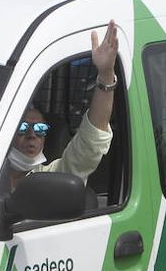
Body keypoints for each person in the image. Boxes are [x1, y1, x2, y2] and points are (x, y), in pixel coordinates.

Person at [7, 21, 119, 192]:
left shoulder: (51, 178)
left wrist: (105, 75)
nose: (32, 135)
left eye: (40, 128)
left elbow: (89, 144)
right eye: (23, 127)